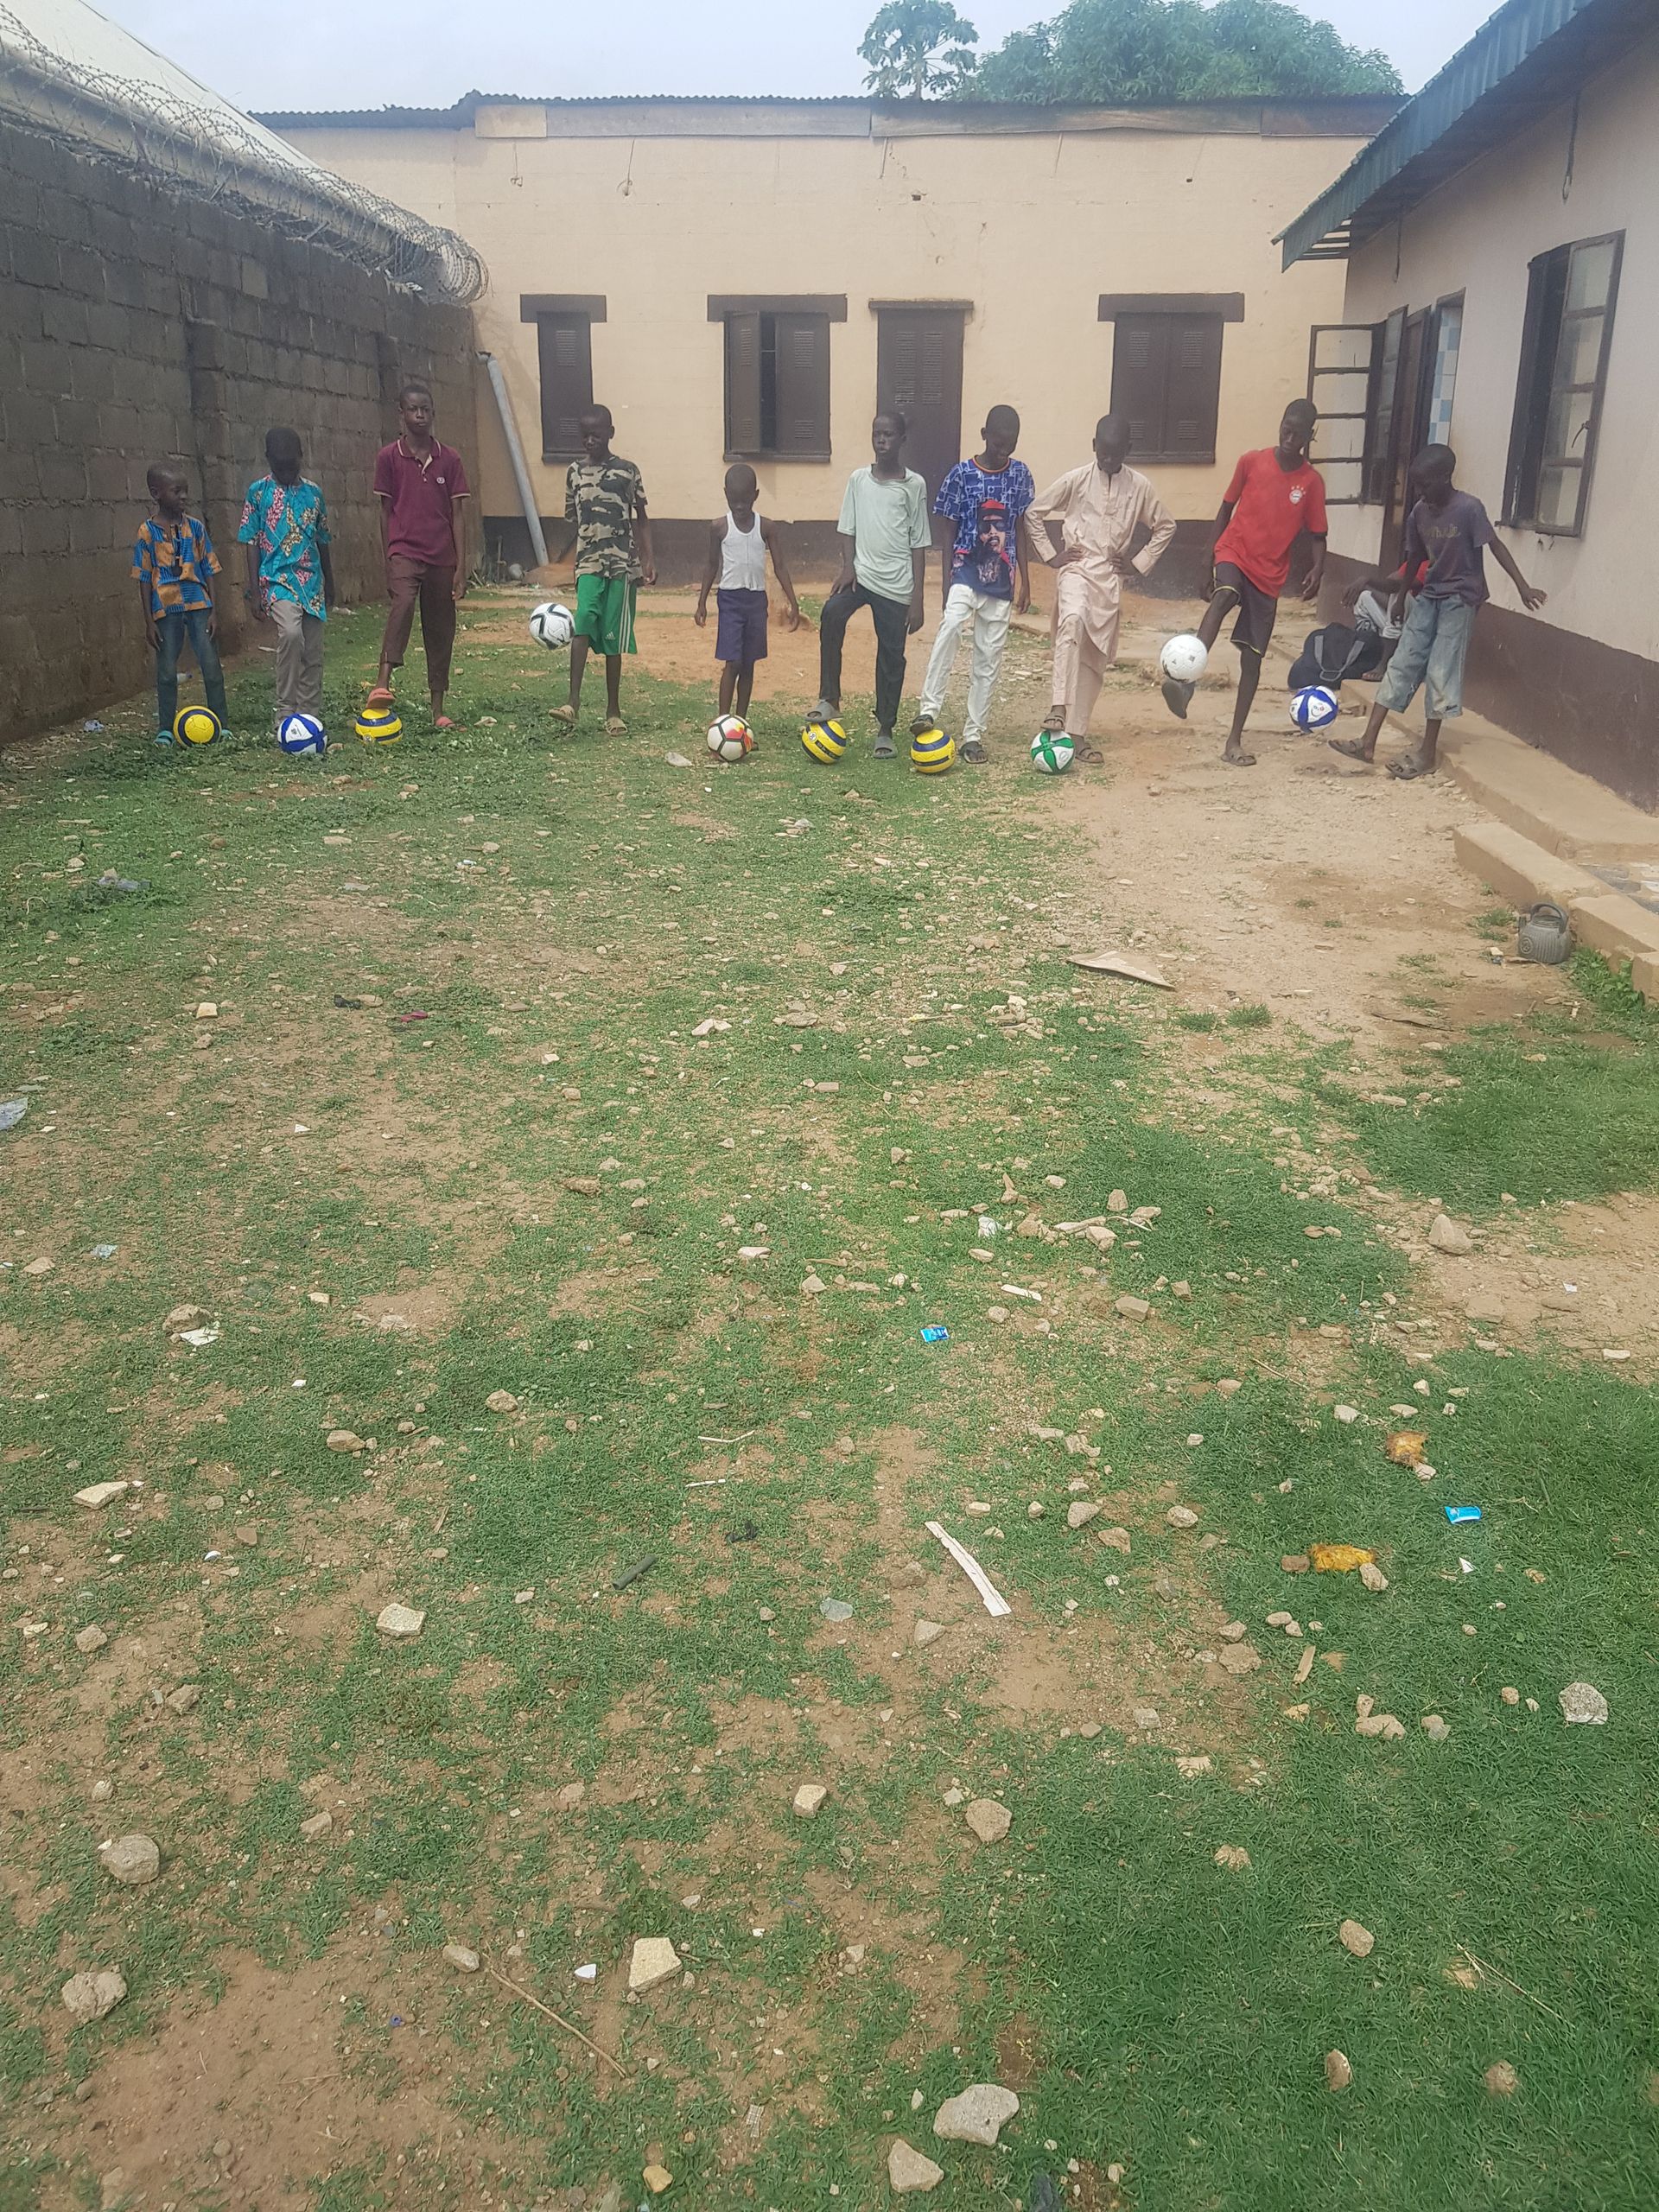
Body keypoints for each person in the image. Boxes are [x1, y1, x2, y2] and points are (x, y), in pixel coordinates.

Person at [1329, 444, 1547, 780]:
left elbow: (1495, 546)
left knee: (1440, 671)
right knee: (1402, 663)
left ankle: (1427, 753)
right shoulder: (1419, 512)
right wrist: (1400, 597)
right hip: (1429, 596)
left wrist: (1523, 587)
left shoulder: (1469, 509)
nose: (1421, 491)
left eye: (1426, 484)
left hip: (1460, 599)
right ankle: (1367, 742)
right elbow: (1415, 557)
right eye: (1417, 485)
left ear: (1446, 477)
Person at [1163, 398, 1327, 766]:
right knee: (1225, 595)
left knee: (1252, 661)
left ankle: (1234, 740)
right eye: (1286, 429)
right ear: (1280, 424)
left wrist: (1318, 568)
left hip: (1270, 574)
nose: (1290, 438)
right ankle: (1184, 682)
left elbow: (1319, 535)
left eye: (1298, 434)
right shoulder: (1251, 462)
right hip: (1234, 550)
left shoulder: (1311, 483)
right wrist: (1206, 558)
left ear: (1309, 436)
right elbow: (1226, 509)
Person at [1027, 414, 1175, 762]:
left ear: (1128, 450)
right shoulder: (1076, 479)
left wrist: (1138, 563)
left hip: (1110, 579)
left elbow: (1166, 526)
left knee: (1094, 659)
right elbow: (1034, 512)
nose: (1108, 460)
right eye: (1103, 453)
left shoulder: (1140, 487)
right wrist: (1051, 555)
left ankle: (1077, 735)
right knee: (1072, 621)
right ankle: (1058, 707)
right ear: (1094, 446)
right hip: (1077, 568)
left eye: (1115, 454)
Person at [912, 404, 1034, 762]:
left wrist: (1026, 580)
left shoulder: (1020, 475)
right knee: (950, 626)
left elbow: (1020, 527)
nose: (1003, 450)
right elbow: (947, 529)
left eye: (1011, 444)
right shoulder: (961, 475)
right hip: (965, 569)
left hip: (1002, 579)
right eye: (998, 443)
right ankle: (928, 710)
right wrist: (946, 580)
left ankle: (973, 735)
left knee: (988, 659)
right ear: (984, 435)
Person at [813, 413, 931, 757]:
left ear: (902, 440)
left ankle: (885, 728)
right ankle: (829, 698)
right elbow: (847, 528)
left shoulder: (914, 485)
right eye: (877, 434)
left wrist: (918, 597)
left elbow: (919, 543)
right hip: (861, 576)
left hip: (896, 584)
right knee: (832, 614)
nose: (882, 440)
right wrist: (848, 567)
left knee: (891, 656)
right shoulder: (858, 480)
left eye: (889, 434)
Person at [368, 381, 469, 729]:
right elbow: (385, 512)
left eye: (425, 409)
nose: (420, 415)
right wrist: (388, 557)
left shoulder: (450, 458)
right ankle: (382, 682)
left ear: (433, 413)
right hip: (404, 550)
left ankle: (438, 708)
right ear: (402, 414)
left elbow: (458, 514)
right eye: (413, 409)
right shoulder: (388, 457)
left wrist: (461, 566)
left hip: (442, 555)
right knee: (403, 604)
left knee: (441, 629)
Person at [552, 404, 656, 736]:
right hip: (588, 563)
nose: (590, 441)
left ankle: (613, 711)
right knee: (583, 621)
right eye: (584, 436)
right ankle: (572, 702)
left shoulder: (628, 472)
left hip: (621, 565)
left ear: (610, 433)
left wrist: (648, 559)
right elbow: (574, 519)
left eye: (596, 435)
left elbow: (642, 518)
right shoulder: (574, 473)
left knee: (613, 638)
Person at [238, 428, 335, 733]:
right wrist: (256, 591)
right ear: (268, 460)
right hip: (276, 578)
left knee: (312, 651)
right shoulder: (258, 493)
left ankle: (309, 717)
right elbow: (251, 542)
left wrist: (330, 581)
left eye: (292, 466)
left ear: (301, 458)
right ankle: (285, 713)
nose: (286, 473)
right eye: (280, 467)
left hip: (311, 581)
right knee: (291, 635)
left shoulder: (314, 494)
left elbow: (322, 539)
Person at [694, 461, 802, 726]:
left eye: (745, 500)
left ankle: (741, 723)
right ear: (725, 495)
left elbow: (780, 566)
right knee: (732, 661)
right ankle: (722, 722)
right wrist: (702, 602)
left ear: (755, 495)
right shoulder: (719, 527)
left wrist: (793, 601)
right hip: (730, 601)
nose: (740, 506)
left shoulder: (766, 527)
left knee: (749, 663)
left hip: (755, 602)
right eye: (734, 501)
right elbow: (711, 565)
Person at [132, 463, 230, 746]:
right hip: (165, 607)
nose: (184, 496)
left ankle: (221, 724)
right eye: (177, 491)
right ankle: (165, 729)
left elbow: (209, 568)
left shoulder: (196, 528)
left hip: (199, 604)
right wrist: (149, 621)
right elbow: (143, 576)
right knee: (166, 670)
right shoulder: (147, 532)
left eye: (186, 490)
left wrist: (213, 610)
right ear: (156, 493)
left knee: (211, 665)